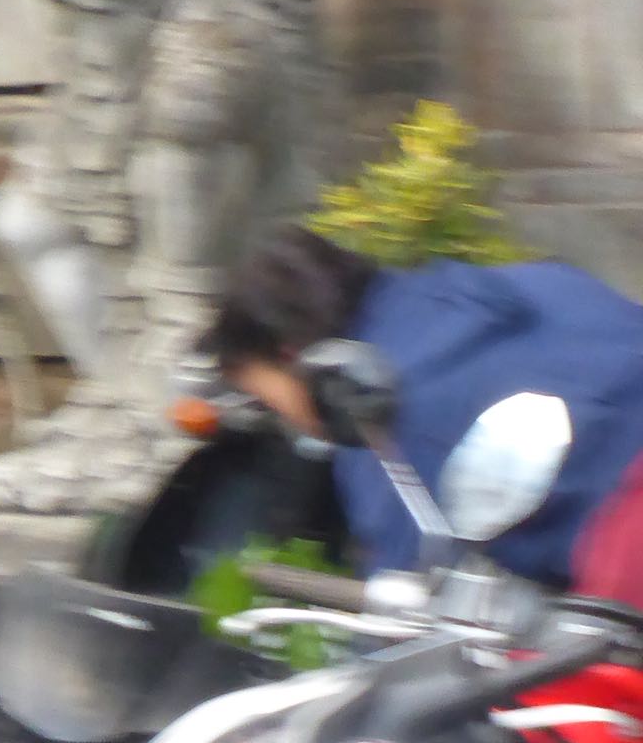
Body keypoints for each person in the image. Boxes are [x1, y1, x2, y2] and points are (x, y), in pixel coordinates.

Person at [203, 223, 643, 584]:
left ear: (291, 356)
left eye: (268, 399)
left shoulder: (381, 429)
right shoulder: (546, 280)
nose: (285, 419)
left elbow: (403, 626)